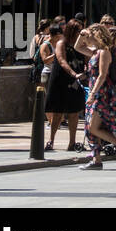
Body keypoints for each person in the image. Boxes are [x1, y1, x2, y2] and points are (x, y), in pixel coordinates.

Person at [75, 24, 116, 170]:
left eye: (89, 36)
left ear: (97, 36)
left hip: (102, 94)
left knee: (93, 127)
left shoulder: (104, 52)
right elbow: (77, 47)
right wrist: (81, 35)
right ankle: (97, 159)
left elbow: (102, 75)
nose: (86, 40)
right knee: (90, 128)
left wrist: (93, 94)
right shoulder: (94, 52)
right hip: (96, 93)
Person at [44, 19, 86, 151]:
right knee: (57, 112)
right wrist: (73, 73)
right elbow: (61, 61)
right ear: (72, 31)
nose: (81, 33)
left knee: (74, 112)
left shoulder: (80, 44)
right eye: (79, 30)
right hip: (61, 79)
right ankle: (51, 141)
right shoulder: (61, 43)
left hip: (75, 81)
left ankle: (72, 143)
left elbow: (89, 57)